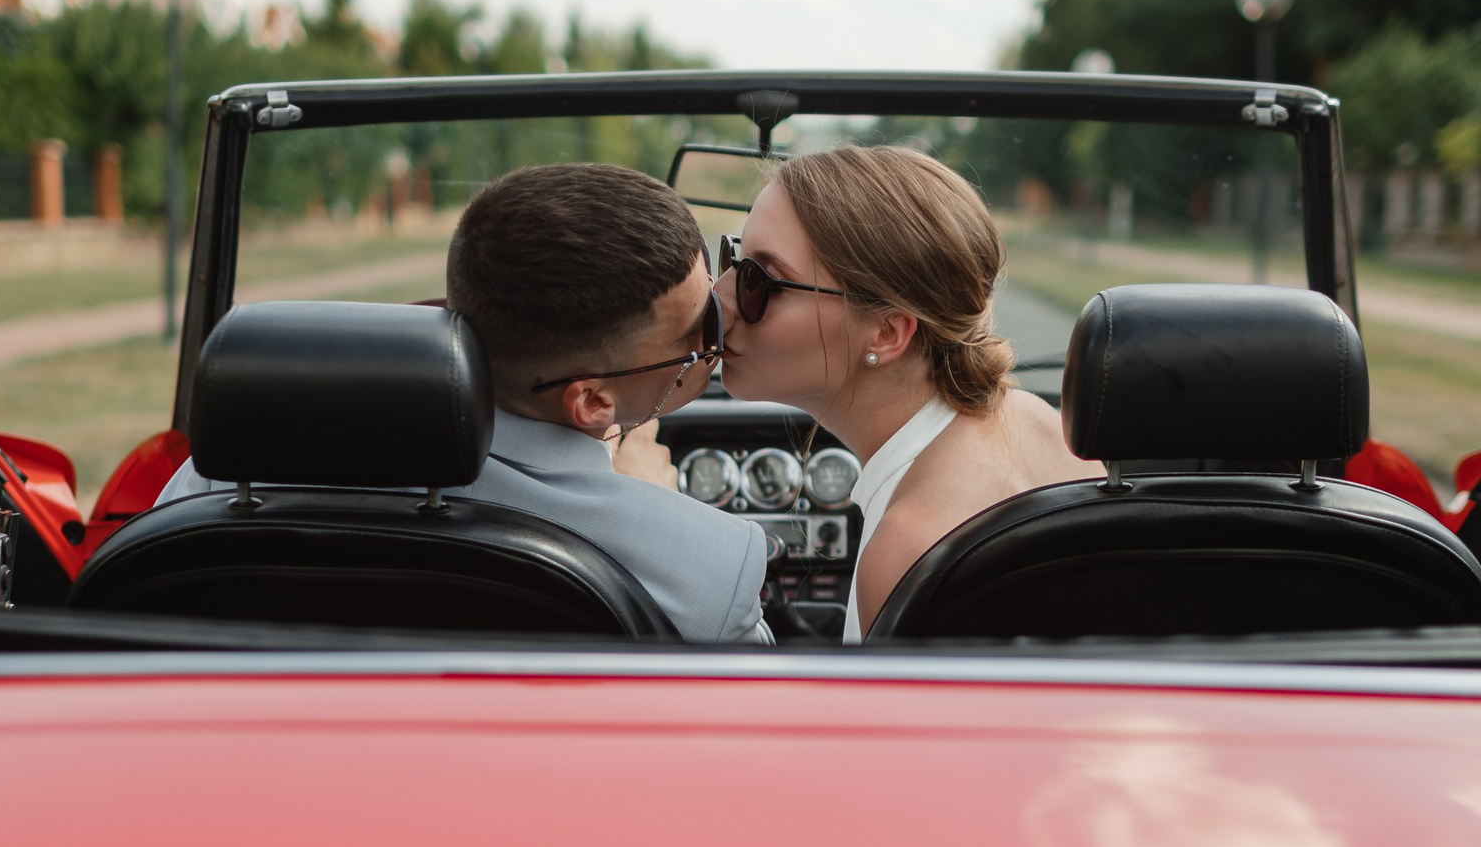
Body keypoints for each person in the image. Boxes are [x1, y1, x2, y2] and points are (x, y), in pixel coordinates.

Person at [161, 162, 770, 643]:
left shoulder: (206, 492)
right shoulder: (707, 567)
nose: (721, 332)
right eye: (701, 332)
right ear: (590, 401)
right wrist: (654, 511)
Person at [713, 143, 1095, 640]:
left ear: (888, 333)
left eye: (759, 280)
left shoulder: (908, 548)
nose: (719, 297)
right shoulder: (1037, 420)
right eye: (732, 257)